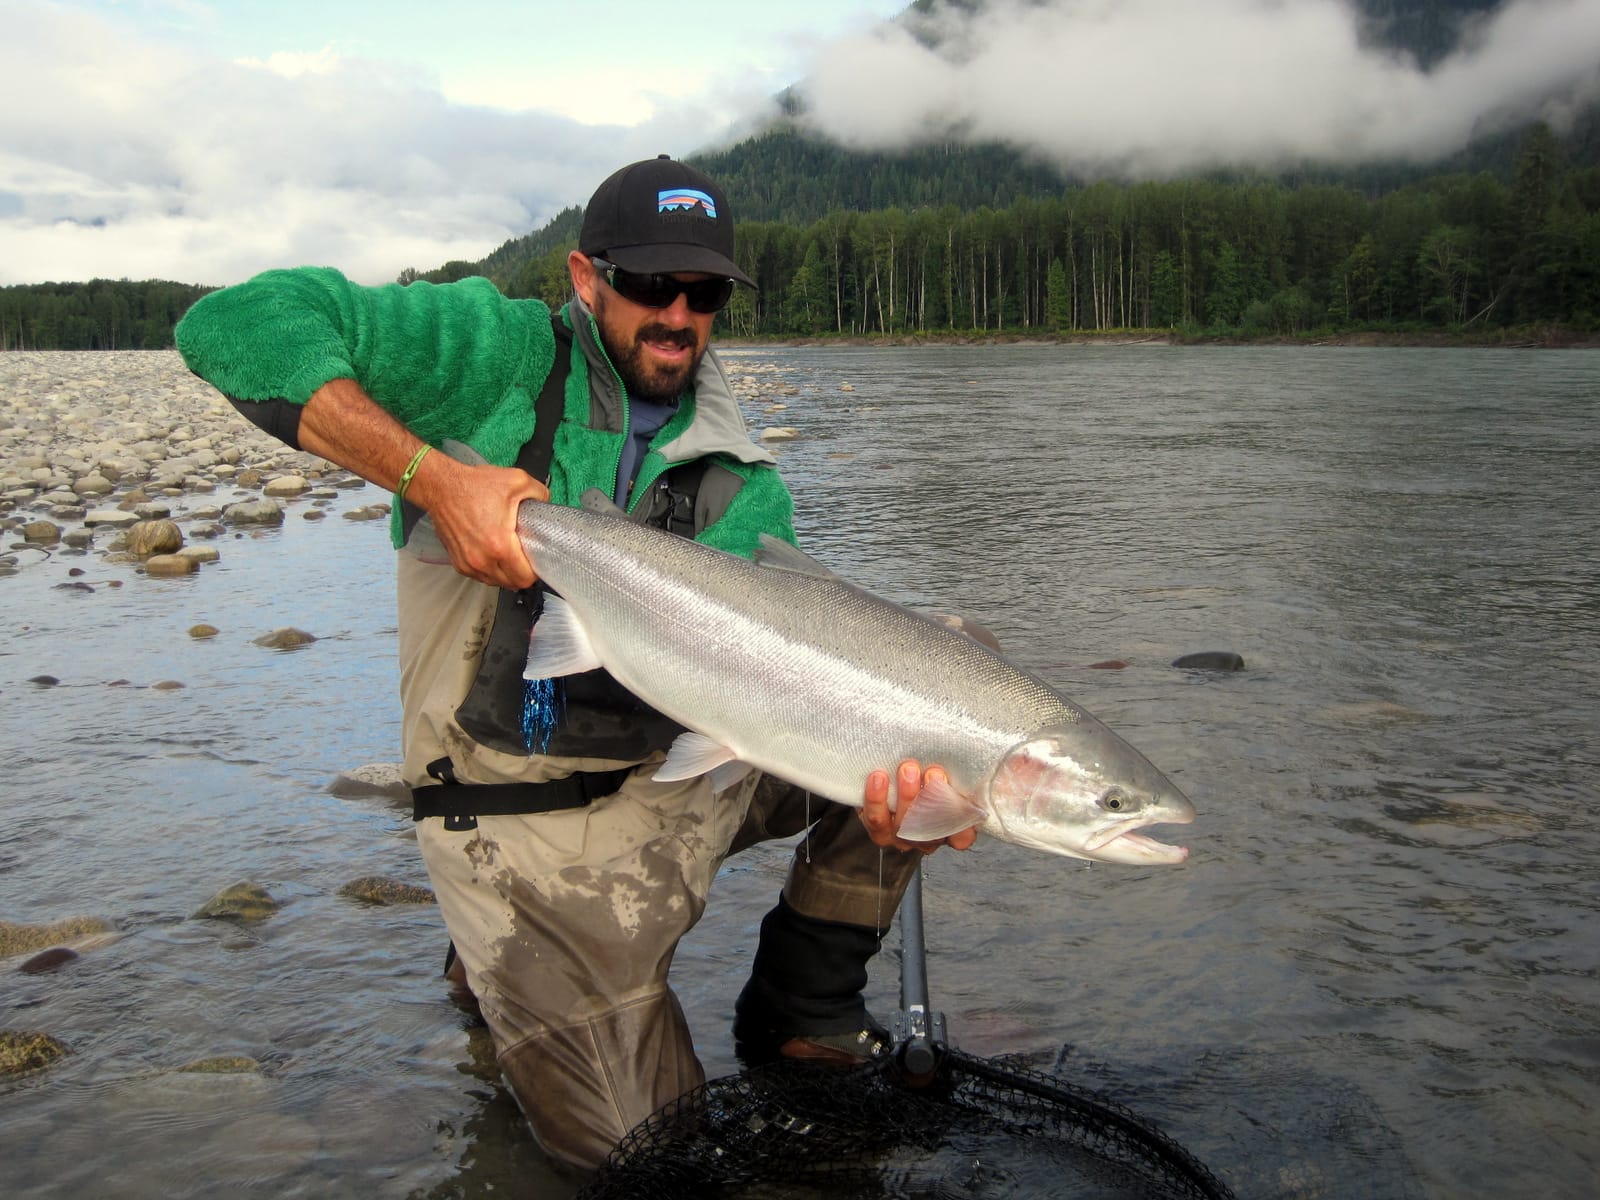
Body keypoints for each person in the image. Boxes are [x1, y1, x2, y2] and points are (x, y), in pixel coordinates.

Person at [174, 155, 977, 1170]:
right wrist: (429, 476)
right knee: (647, 1159)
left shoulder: (743, 481)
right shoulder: (492, 355)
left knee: (938, 736)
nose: (677, 314)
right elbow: (232, 323)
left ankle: (802, 1007)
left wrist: (888, 775)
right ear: (586, 278)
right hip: (506, 804)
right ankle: (498, 951)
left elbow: (779, 686)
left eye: (706, 292)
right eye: (648, 286)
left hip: (668, 772)